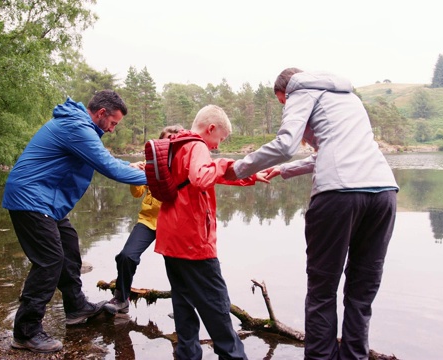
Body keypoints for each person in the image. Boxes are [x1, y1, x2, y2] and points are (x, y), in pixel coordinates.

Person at [225, 68, 399, 360]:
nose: (286, 107)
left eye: (282, 103)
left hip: (338, 195)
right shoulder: (348, 96)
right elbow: (328, 151)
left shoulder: (299, 91)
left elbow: (285, 145)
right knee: (361, 292)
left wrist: (237, 169)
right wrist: (281, 171)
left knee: (322, 291)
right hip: (383, 193)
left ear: (285, 91)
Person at [2, 90, 147, 353]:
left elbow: (105, 159)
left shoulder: (80, 125)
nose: (113, 129)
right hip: (30, 199)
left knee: (69, 246)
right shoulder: (76, 126)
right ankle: (25, 332)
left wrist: (134, 168)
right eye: (113, 123)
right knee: (49, 261)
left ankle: (76, 308)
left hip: (46, 202)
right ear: (101, 113)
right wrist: (157, 179)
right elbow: (108, 167)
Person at [154, 105, 268, 360]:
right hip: (193, 241)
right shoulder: (197, 145)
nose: (218, 145)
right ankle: (233, 356)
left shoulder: (176, 143)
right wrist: (225, 162)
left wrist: (248, 176)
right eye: (221, 138)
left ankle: (187, 354)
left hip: (170, 237)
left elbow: (198, 176)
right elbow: (200, 178)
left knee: (182, 301)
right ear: (211, 128)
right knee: (216, 303)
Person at [104, 124, 184, 314]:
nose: (170, 143)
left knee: (178, 267)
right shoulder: (149, 164)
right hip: (148, 221)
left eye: (174, 140)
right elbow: (137, 193)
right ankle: (121, 299)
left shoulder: (184, 166)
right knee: (126, 256)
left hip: (173, 224)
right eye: (166, 140)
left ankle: (182, 307)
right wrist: (135, 173)